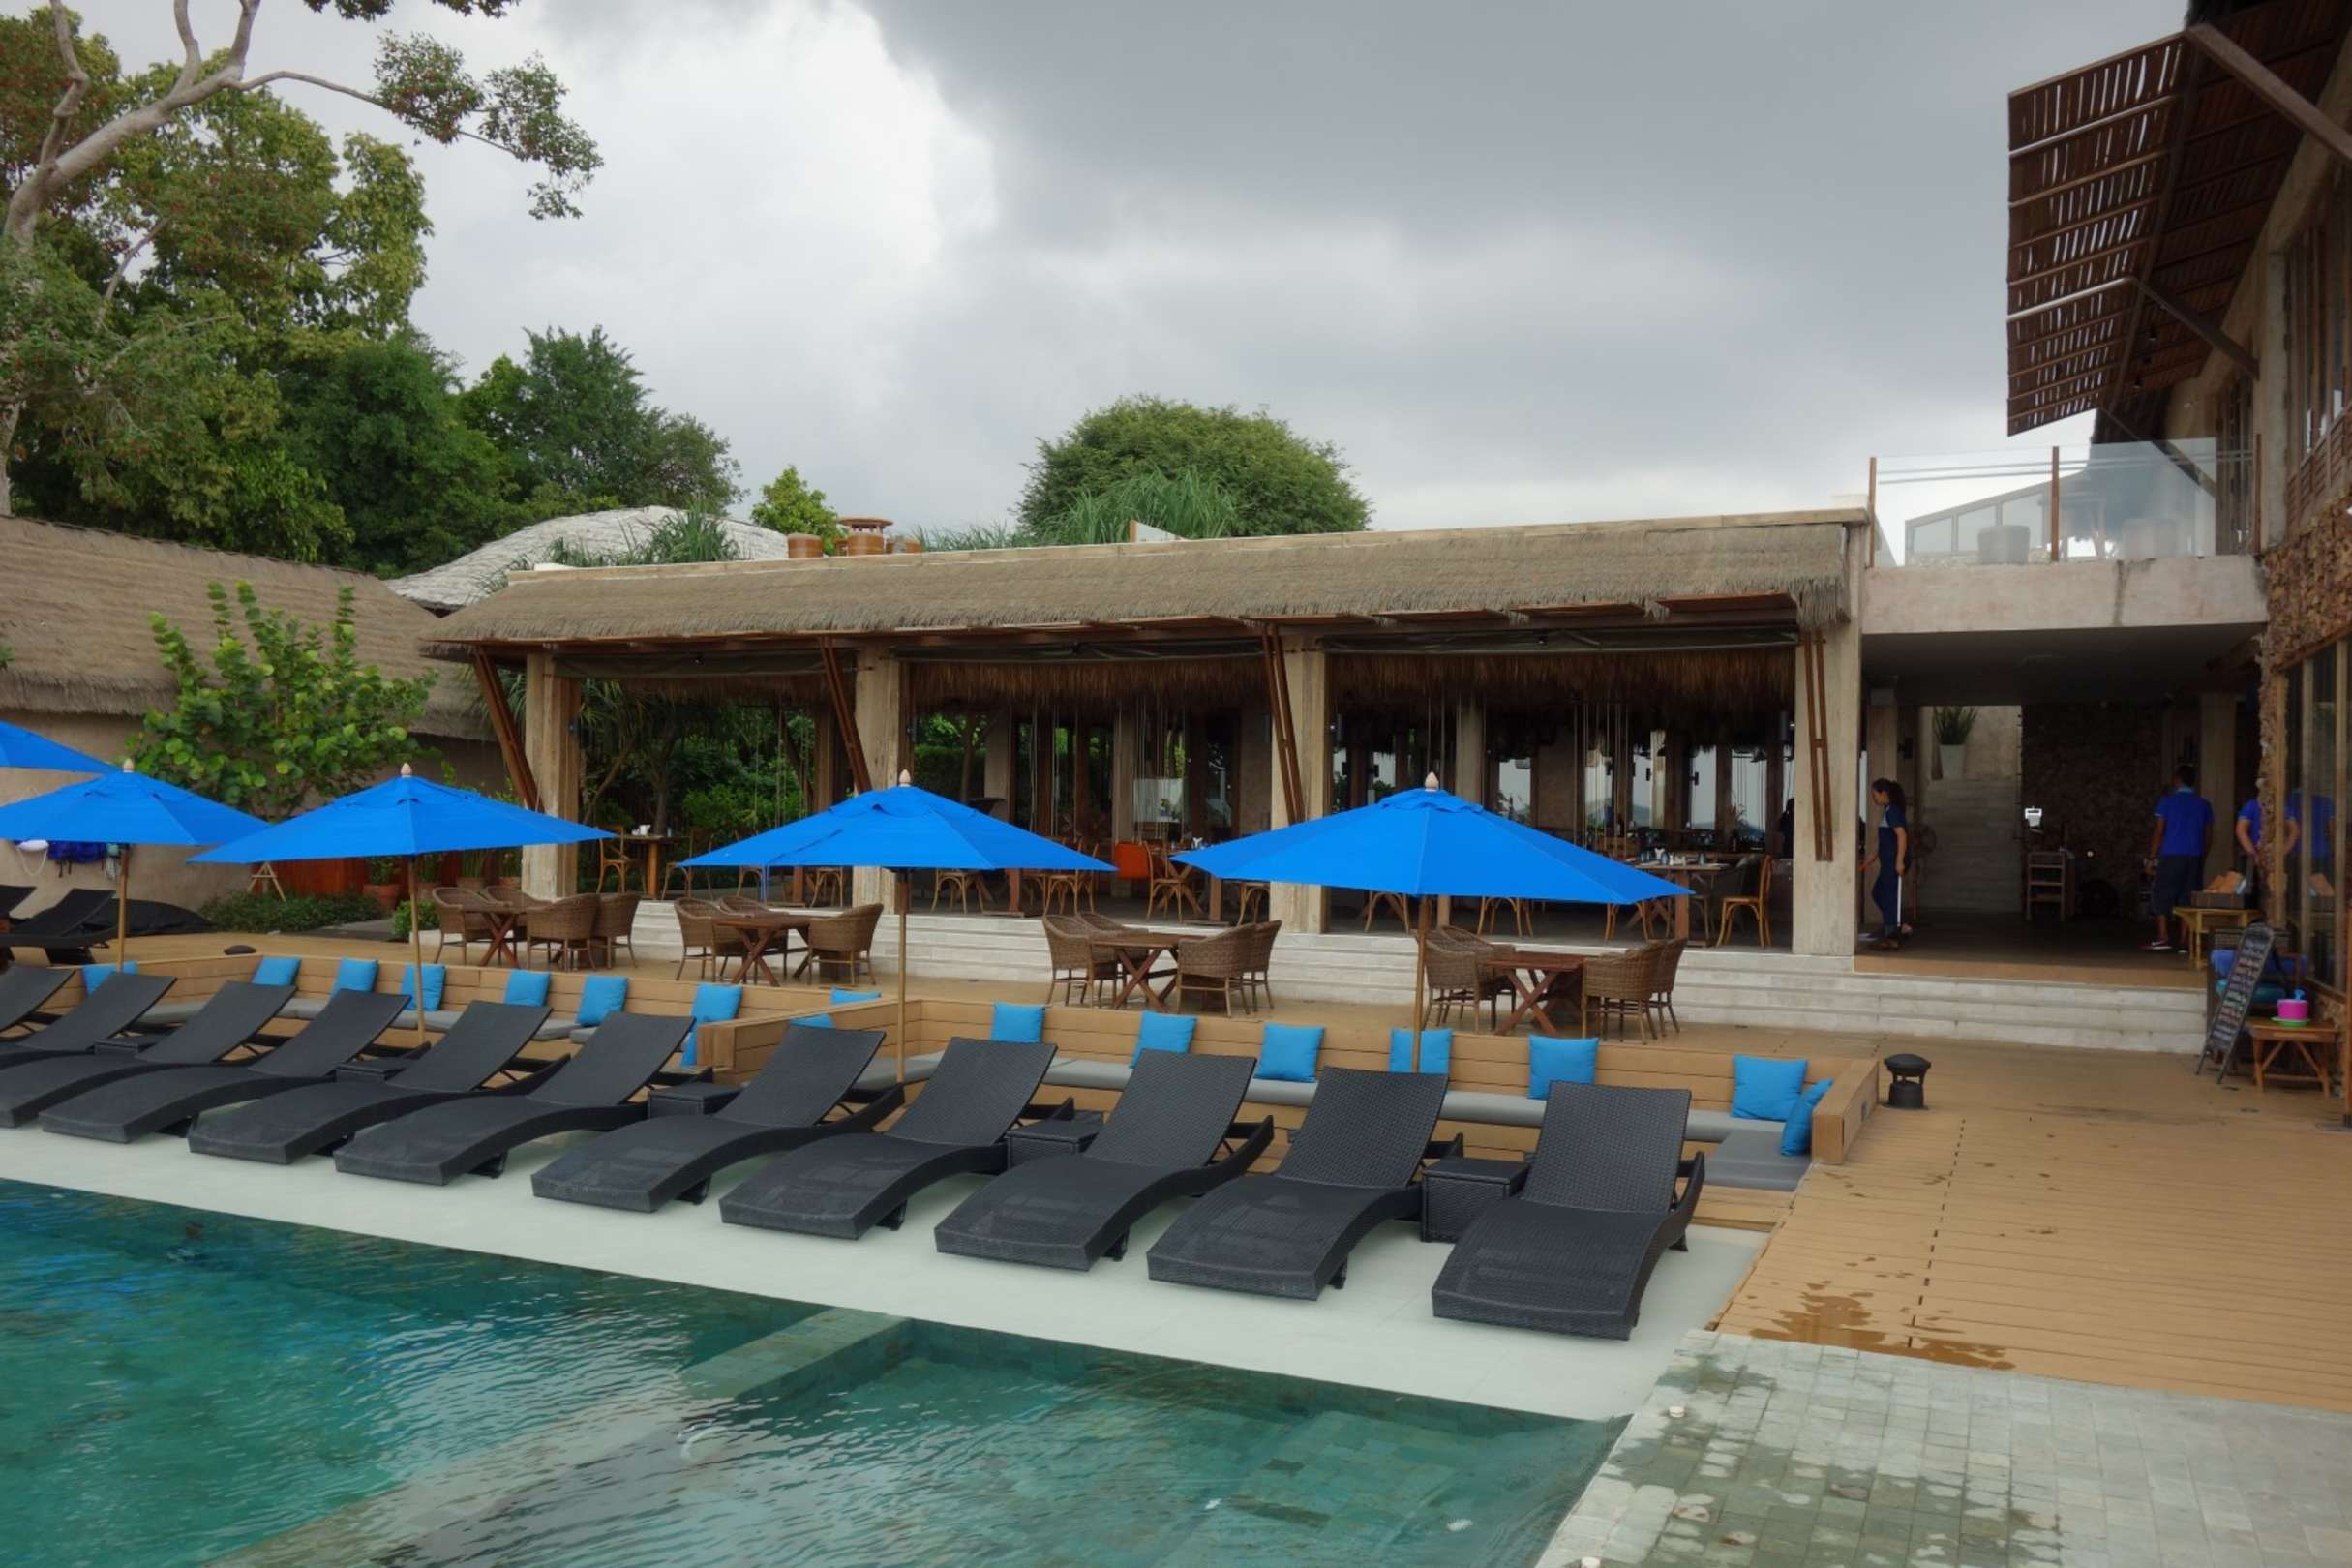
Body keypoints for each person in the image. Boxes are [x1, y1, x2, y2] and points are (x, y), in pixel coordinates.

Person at [2143, 765, 2213, 951]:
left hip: (2171, 854)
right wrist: (2202, 856)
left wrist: (2151, 857)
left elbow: (2159, 831)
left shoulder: (2167, 802)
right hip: (2194, 856)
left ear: (2177, 780)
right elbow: (2207, 836)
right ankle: (2185, 940)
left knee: (2162, 893)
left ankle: (2163, 936)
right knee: (2188, 897)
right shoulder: (2204, 805)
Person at [1859, 778, 1908, 944]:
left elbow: (1902, 835)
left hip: (1892, 862)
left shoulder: (1893, 811)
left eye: (1875, 794)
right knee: (1878, 893)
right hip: (1886, 862)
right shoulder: (1888, 811)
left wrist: (1899, 862)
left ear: (1884, 793)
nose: (1873, 798)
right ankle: (1896, 925)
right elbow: (1884, 841)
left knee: (1887, 895)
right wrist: (1870, 859)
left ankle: (1891, 933)